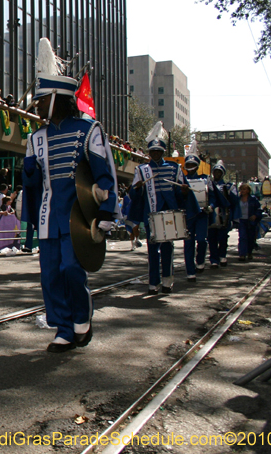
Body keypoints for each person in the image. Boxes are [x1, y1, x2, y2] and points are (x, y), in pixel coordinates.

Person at [22, 37, 118, 352]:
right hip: (49, 213)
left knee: (72, 270)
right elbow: (32, 182)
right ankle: (63, 327)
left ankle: (81, 320)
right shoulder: (35, 137)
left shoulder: (88, 130)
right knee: (50, 275)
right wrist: (28, 170)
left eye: (41, 101)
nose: (37, 107)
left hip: (79, 214)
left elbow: (104, 174)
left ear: (56, 98)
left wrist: (107, 211)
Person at [128, 122, 187, 294]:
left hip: (168, 214)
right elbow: (134, 194)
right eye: (152, 151)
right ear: (149, 153)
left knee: (168, 248)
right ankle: (153, 283)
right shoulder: (142, 170)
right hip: (151, 214)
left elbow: (179, 192)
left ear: (163, 153)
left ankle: (167, 281)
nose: (155, 154)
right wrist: (137, 188)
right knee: (152, 249)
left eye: (158, 152)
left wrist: (183, 191)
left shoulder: (174, 168)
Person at [182, 142, 214, 282]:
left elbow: (213, 196)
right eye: (187, 165)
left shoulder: (205, 179)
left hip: (201, 215)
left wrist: (211, 206)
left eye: (192, 165)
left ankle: (200, 260)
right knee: (188, 244)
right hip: (188, 216)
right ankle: (190, 271)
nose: (189, 168)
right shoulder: (181, 179)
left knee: (201, 240)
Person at [207, 160, 236, 268]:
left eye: (219, 172)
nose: (217, 174)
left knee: (223, 237)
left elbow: (234, 201)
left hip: (224, 214)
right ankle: (214, 259)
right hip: (212, 213)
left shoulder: (228, 186)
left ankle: (222, 255)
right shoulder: (208, 184)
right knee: (211, 238)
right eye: (215, 172)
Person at [235, 183, 261, 262]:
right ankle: (242, 254)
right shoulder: (238, 199)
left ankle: (249, 252)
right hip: (241, 220)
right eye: (241, 189)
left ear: (248, 190)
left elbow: (259, 209)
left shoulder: (253, 199)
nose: (243, 191)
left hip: (250, 221)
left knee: (250, 238)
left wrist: (255, 216)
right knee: (242, 237)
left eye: (244, 189)